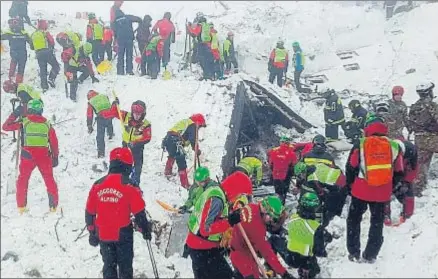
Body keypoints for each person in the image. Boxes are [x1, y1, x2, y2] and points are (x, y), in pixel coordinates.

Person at [85, 147, 153, 279]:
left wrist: (92, 232)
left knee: (109, 266)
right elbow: (139, 213)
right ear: (127, 165)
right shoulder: (129, 185)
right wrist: (145, 229)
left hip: (103, 233)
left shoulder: (97, 184)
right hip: (123, 234)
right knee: (125, 267)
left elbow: (89, 212)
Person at [345, 120, 404, 263]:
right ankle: (371, 254)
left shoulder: (361, 143)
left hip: (360, 190)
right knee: (377, 222)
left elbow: (351, 166)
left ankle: (354, 252)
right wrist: (390, 186)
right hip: (382, 193)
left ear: (368, 129)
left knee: (354, 220)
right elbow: (399, 170)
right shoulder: (394, 145)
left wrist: (350, 185)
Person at [185, 170, 251, 279]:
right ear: (234, 189)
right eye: (239, 194)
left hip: (199, 246)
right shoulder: (217, 199)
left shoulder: (217, 192)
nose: (238, 197)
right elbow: (205, 229)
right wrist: (229, 221)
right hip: (202, 249)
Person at [2, 99, 59, 213]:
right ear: (41, 110)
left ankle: (21, 207)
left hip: (27, 155)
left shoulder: (24, 122)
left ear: (29, 109)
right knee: (49, 179)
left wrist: (15, 114)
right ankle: (53, 207)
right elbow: (54, 142)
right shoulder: (47, 124)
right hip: (44, 156)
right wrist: (55, 156)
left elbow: (5, 127)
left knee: (23, 180)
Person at [229, 195, 293, 279]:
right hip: (243, 256)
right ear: (265, 210)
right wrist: (284, 273)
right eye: (271, 217)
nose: (271, 221)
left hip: (239, 250)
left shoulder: (251, 206)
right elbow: (268, 254)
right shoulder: (257, 228)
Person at [270, 192, 325, 279]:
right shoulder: (316, 227)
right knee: (312, 259)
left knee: (273, 239)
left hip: (291, 258)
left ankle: (270, 267)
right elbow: (319, 252)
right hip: (306, 262)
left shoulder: (293, 217)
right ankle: (308, 270)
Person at [293, 162, 346, 229]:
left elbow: (320, 194)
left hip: (338, 187)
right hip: (342, 179)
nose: (300, 178)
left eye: (300, 176)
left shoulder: (311, 179)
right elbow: (334, 166)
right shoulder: (316, 165)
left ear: (303, 172)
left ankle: (329, 225)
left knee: (329, 209)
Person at [110, 100, 151, 186]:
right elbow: (114, 112)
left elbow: (147, 138)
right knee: (123, 164)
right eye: (135, 113)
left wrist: (135, 143)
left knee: (137, 167)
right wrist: (115, 104)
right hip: (125, 145)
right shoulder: (126, 116)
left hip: (137, 148)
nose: (136, 116)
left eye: (139, 114)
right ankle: (123, 183)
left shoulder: (146, 124)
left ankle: (135, 185)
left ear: (143, 113)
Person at [408, 82, 437, 197]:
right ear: (429, 92)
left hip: (419, 138)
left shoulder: (414, 107)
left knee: (421, 164)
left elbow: (410, 124)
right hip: (432, 138)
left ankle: (417, 189)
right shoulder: (432, 105)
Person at [162, 114, 206, 188]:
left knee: (172, 155)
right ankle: (185, 184)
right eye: (200, 126)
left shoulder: (186, 123)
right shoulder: (192, 125)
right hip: (176, 141)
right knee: (181, 161)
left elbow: (184, 137)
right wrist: (196, 149)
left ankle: (168, 171)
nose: (198, 128)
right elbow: (193, 140)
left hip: (168, 139)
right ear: (198, 123)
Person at [384, 140, 417, 225]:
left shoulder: (411, 150)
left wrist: (407, 181)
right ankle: (385, 216)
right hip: (388, 171)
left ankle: (407, 215)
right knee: (385, 191)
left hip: (403, 170)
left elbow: (414, 168)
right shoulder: (386, 149)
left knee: (408, 191)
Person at [1, 18, 33, 86]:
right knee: (21, 69)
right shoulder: (24, 33)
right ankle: (18, 84)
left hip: (14, 53)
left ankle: (10, 81)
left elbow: (1, 36)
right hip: (23, 53)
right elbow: (31, 42)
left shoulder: (9, 33)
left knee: (13, 65)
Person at [31, 19, 60, 92]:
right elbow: (52, 42)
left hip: (38, 54)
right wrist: (51, 47)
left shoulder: (33, 34)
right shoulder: (45, 32)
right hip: (47, 51)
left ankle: (44, 86)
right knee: (56, 66)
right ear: (44, 25)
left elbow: (31, 46)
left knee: (43, 70)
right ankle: (51, 78)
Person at [267, 136, 298, 204]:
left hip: (276, 174)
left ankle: (276, 206)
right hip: (286, 175)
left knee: (278, 192)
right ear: (288, 143)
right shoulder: (291, 153)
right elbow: (294, 164)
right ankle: (282, 206)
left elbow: (270, 164)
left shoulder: (273, 151)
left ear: (281, 142)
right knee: (284, 193)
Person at [86, 90, 117, 158]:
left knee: (100, 136)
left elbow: (89, 114)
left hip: (102, 117)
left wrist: (89, 125)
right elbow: (108, 105)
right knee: (109, 123)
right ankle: (110, 134)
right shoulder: (104, 96)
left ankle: (101, 153)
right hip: (110, 114)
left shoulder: (91, 101)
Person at [112, 7, 142, 75]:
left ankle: (120, 71)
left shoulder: (115, 21)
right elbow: (139, 19)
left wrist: (117, 38)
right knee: (129, 55)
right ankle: (129, 70)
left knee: (120, 55)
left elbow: (114, 32)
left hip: (121, 40)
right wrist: (139, 26)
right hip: (129, 39)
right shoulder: (128, 17)